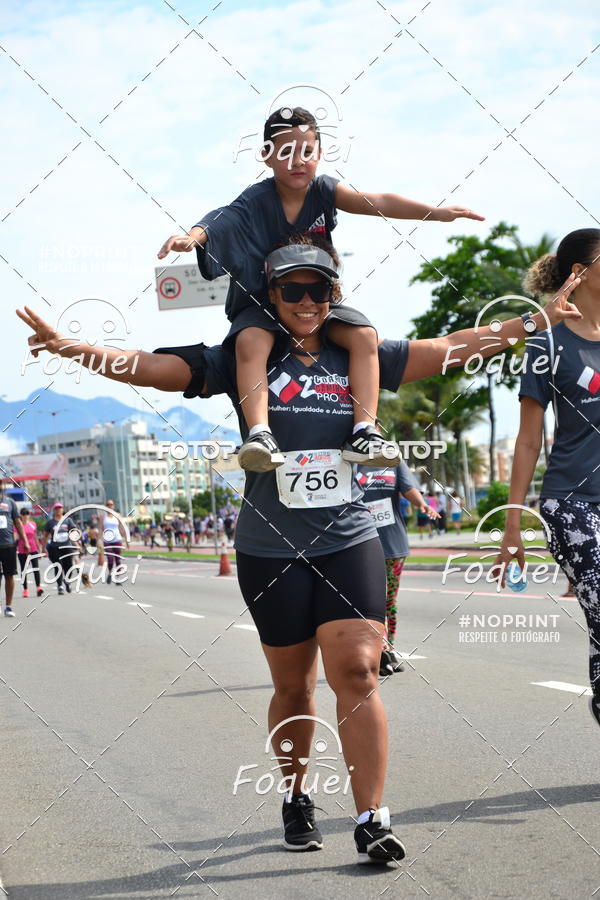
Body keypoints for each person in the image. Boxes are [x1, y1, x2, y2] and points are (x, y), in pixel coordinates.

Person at [18, 233, 581, 861]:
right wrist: (72, 349)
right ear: (272, 294)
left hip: (349, 538)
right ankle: (296, 796)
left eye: (320, 289)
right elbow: (154, 366)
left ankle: (372, 817)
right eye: (294, 290)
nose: (308, 302)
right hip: (269, 546)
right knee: (294, 689)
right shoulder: (243, 356)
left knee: (359, 672)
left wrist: (541, 318)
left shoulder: (359, 353)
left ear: (334, 293)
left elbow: (451, 348)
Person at [158, 106, 483, 473]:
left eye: (307, 152)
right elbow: (219, 220)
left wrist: (436, 212)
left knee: (363, 335)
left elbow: (376, 201)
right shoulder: (255, 200)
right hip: (264, 303)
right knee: (251, 343)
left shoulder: (324, 190)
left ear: (320, 154)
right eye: (285, 152)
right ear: (266, 156)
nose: (297, 161)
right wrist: (191, 237)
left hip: (314, 301)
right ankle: (261, 435)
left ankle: (364, 431)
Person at [494, 227, 600, 727]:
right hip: (572, 504)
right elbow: (529, 440)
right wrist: (513, 523)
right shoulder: (548, 345)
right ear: (578, 273)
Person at [357, 464, 439, 676]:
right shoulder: (348, 457)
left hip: (393, 544)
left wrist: (422, 504)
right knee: (372, 602)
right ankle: (380, 651)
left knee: (388, 602)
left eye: (375, 427)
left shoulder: (392, 460)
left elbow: (408, 488)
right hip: (361, 543)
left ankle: (388, 649)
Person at [0, 484, 30, 617]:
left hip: (9, 545)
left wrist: (25, 541)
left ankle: (8, 606)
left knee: (9, 575)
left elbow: (18, 523)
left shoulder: (10, 502)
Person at [40, 502, 79, 595]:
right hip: (54, 547)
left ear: (62, 510)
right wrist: (43, 548)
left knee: (69, 566)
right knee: (58, 566)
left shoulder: (68, 521)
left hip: (67, 546)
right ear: (54, 510)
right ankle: (60, 586)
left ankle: (67, 581)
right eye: (56, 508)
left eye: (60, 508)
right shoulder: (50, 523)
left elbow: (73, 533)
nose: (58, 510)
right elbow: (45, 536)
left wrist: (77, 543)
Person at [98, 500, 129, 584]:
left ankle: (117, 578)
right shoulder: (102, 516)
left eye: (111, 504)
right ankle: (110, 573)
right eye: (108, 505)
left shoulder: (117, 515)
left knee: (118, 560)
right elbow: (100, 528)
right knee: (110, 559)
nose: (109, 506)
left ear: (113, 506)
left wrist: (126, 540)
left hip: (117, 539)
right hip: (107, 541)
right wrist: (99, 540)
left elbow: (122, 528)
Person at [16, 508, 43, 598]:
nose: (25, 515)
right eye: (23, 513)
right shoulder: (17, 525)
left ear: (29, 515)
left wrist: (39, 547)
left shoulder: (33, 524)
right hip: (22, 550)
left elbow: (35, 537)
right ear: (21, 515)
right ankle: (25, 590)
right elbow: (15, 537)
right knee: (24, 570)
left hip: (33, 549)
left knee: (36, 568)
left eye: (27, 513)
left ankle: (38, 587)